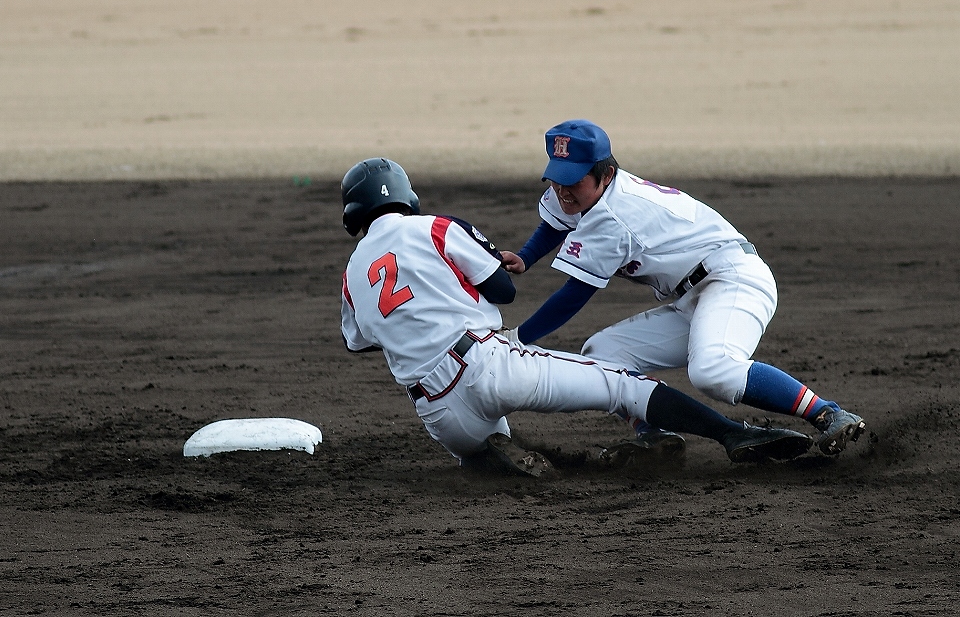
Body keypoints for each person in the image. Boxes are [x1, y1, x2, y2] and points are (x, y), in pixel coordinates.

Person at [339, 156, 815, 476]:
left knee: (483, 446)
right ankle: (734, 434)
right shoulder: (436, 227)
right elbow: (502, 290)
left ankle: (494, 457)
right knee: (622, 384)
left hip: (437, 410)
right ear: (405, 195)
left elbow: (359, 341)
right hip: (488, 364)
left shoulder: (351, 273)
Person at [499, 119, 866, 457]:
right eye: (556, 179)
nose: (563, 190)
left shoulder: (614, 216)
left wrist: (519, 339)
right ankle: (654, 435)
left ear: (607, 174)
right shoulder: (581, 194)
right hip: (695, 294)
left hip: (734, 279)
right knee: (603, 354)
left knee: (714, 371)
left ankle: (828, 413)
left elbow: (573, 295)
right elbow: (556, 220)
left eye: (574, 181)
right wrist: (527, 257)